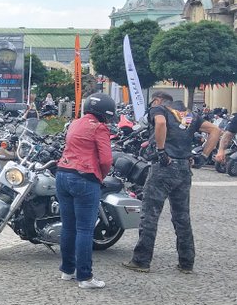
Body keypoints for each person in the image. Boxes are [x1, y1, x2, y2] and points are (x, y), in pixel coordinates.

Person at [123, 92, 219, 274]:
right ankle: (186, 262)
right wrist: (204, 156)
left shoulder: (160, 109)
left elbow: (159, 123)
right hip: (183, 168)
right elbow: (215, 130)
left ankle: (141, 261)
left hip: (163, 166)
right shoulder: (188, 115)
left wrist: (161, 151)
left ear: (158, 100)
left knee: (150, 214)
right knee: (182, 217)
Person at [55, 93, 115, 289]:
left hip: (63, 173)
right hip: (84, 177)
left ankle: (67, 270)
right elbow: (106, 160)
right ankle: (85, 277)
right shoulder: (99, 127)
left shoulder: (75, 123)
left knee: (68, 226)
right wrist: (100, 176)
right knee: (84, 229)